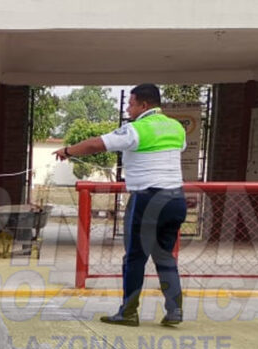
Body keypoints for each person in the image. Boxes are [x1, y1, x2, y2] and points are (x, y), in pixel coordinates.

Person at [55, 83, 187, 327]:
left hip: (148, 198)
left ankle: (128, 312)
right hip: (177, 199)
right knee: (164, 256)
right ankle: (175, 310)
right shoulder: (177, 128)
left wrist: (68, 150)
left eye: (131, 103)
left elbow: (97, 144)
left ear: (144, 105)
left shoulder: (136, 129)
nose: (128, 107)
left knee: (135, 257)